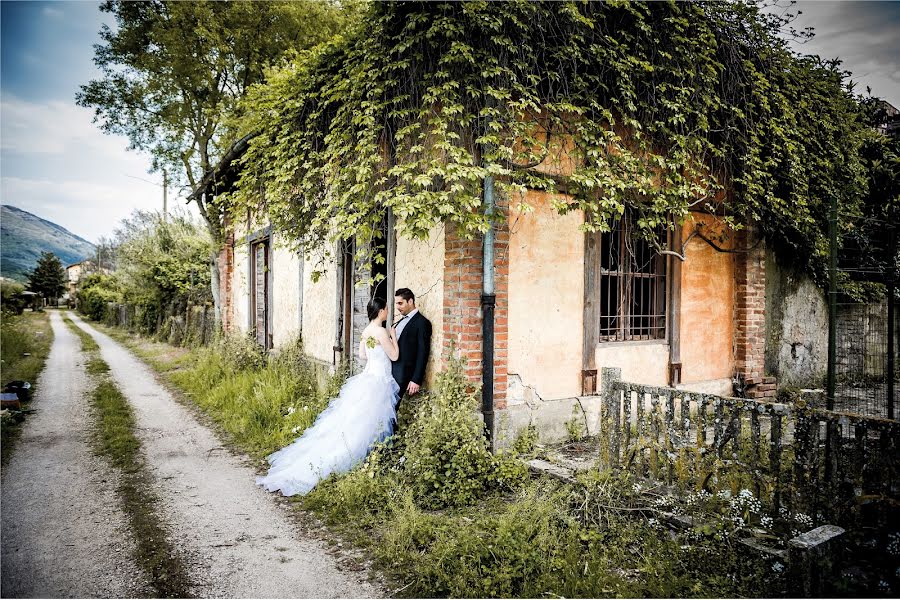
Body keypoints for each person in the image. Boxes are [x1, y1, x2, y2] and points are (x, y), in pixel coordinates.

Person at [256, 297, 400, 497]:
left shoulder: (367, 331)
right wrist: (393, 337)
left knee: (354, 421)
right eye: (386, 308)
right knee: (369, 423)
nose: (388, 311)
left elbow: (363, 356)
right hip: (379, 381)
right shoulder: (382, 331)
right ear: (381, 311)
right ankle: (367, 457)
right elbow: (394, 356)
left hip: (368, 377)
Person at [390, 288, 432, 405]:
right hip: (390, 372)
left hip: (403, 374)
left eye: (400, 303)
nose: (398, 307)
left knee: (392, 408)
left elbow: (423, 352)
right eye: (396, 303)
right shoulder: (399, 322)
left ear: (410, 301)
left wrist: (416, 379)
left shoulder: (422, 323)